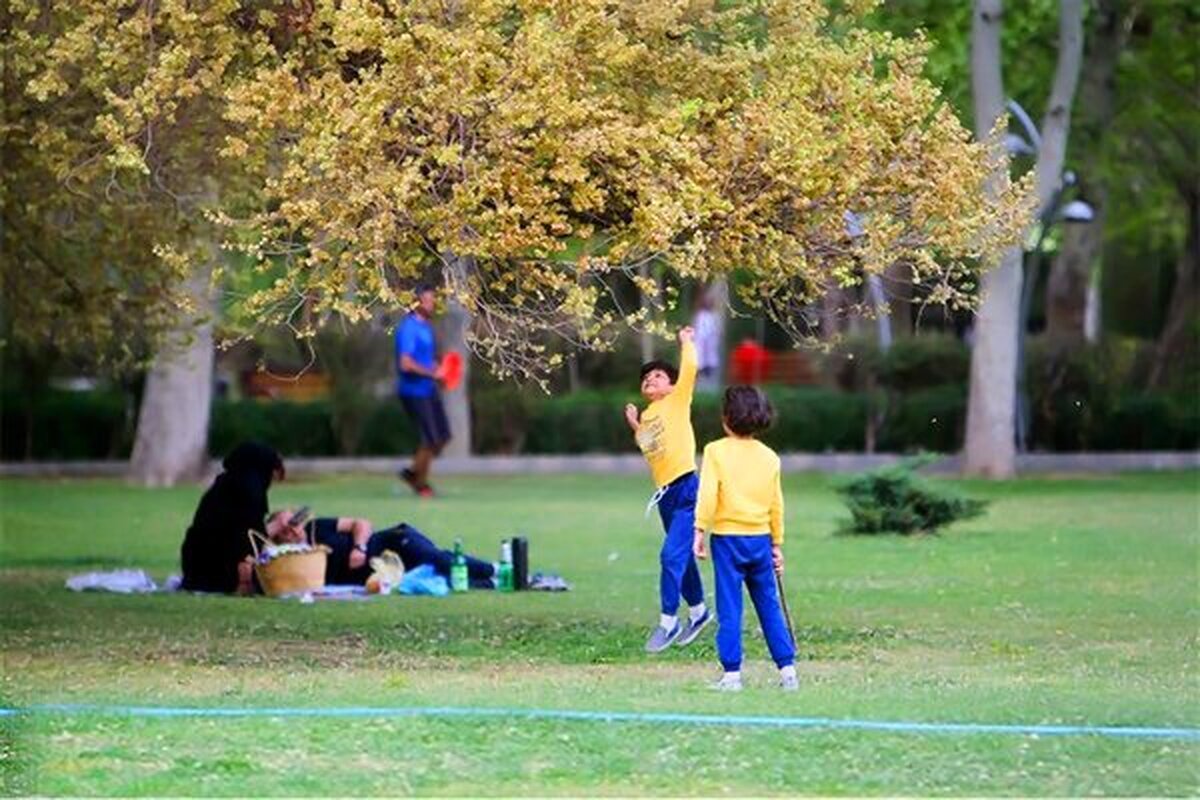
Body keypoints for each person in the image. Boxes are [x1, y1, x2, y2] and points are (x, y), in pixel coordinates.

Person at [693, 386, 797, 692]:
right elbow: (776, 503)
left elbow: (709, 493)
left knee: (730, 606)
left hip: (727, 540)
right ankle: (787, 670)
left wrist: (699, 529)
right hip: (761, 540)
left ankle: (732, 675)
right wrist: (776, 543)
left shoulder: (715, 451)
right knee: (769, 605)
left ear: (726, 418)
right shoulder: (770, 457)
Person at [624, 326, 711, 653]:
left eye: (658, 376)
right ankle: (700, 612)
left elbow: (689, 368)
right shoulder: (649, 414)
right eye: (646, 379)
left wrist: (686, 342)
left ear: (671, 385)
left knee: (669, 555)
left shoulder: (677, 399)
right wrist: (636, 424)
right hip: (665, 496)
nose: (650, 380)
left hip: (688, 488)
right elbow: (650, 448)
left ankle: (668, 621)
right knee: (681, 556)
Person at [267, 512, 496, 589]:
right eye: (285, 531)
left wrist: (359, 547)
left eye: (294, 523)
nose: (294, 531)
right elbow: (259, 540)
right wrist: (275, 526)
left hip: (392, 543)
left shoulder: (318, 527)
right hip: (384, 576)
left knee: (436, 560)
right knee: (444, 582)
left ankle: (497, 569)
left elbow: (362, 523)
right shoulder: (289, 561)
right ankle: (498, 582)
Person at [180, 441, 293, 594]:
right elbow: (247, 540)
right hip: (216, 572)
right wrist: (277, 526)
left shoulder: (224, 487)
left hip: (196, 569)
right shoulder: (248, 494)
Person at [395, 283, 450, 497]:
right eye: (427, 300)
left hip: (429, 389)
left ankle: (412, 472)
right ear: (416, 302)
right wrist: (432, 374)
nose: (432, 304)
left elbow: (425, 361)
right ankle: (421, 484)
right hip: (413, 391)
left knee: (442, 436)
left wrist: (439, 370)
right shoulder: (408, 328)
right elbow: (405, 364)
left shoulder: (426, 326)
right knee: (430, 439)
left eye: (433, 300)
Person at [692, 291, 722, 392]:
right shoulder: (702, 317)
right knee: (703, 372)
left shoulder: (712, 316)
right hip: (703, 351)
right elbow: (702, 335)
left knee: (709, 371)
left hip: (709, 351)